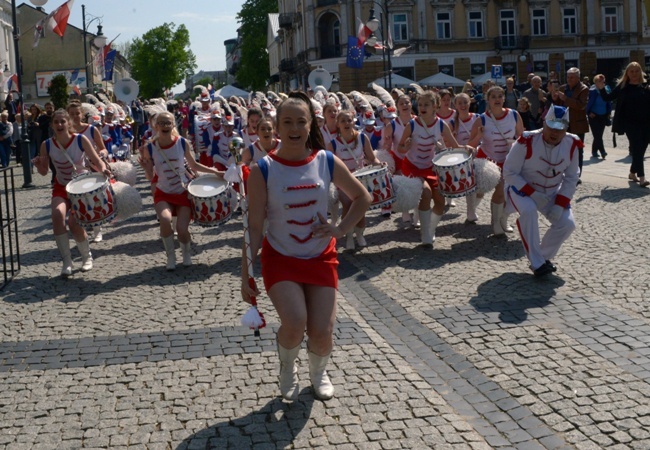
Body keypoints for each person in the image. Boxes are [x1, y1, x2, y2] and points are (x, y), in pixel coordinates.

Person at [241, 92, 371, 401]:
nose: (294, 128)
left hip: (320, 257)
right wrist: (245, 271)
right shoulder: (263, 170)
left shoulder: (325, 160)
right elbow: (255, 226)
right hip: (281, 258)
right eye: (287, 122)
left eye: (301, 121)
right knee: (295, 321)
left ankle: (318, 371)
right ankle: (288, 367)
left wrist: (340, 229)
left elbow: (362, 197)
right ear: (277, 126)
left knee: (322, 333)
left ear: (311, 124)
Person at [138, 111, 225, 270]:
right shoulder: (149, 147)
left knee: (182, 229)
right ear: (156, 126)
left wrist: (215, 172)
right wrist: (146, 168)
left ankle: (186, 253)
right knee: (165, 220)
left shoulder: (182, 143)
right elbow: (151, 176)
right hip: (163, 192)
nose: (165, 126)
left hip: (182, 192)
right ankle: (170, 256)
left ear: (173, 125)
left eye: (168, 123)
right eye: (162, 123)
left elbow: (193, 165)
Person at [503, 105, 580, 277]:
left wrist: (560, 204)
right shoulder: (527, 140)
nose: (554, 132)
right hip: (521, 189)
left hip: (552, 192)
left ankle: (543, 257)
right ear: (544, 124)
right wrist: (532, 193)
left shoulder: (572, 143)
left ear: (566, 129)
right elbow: (509, 172)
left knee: (567, 224)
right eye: (550, 127)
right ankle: (537, 264)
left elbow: (571, 177)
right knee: (529, 211)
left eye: (559, 129)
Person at [32, 109, 110, 276]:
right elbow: (44, 172)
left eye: (63, 121)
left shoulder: (80, 140)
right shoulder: (46, 145)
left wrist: (104, 170)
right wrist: (39, 165)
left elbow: (97, 160)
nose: (60, 125)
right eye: (56, 122)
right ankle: (66, 261)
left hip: (80, 187)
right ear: (52, 125)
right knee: (57, 215)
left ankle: (86, 257)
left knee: (75, 224)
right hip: (61, 186)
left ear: (69, 123)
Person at [397, 90, 465, 247]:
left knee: (440, 201)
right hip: (412, 166)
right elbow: (399, 148)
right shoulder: (412, 124)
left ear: (435, 106)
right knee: (426, 192)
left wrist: (468, 148)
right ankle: (425, 233)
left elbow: (455, 146)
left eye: (426, 104)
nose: (422, 107)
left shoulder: (441, 124)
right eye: (420, 104)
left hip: (430, 167)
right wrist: (405, 147)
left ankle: (431, 229)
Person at [468, 85, 524, 237]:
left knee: (506, 192)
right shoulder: (482, 119)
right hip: (488, 160)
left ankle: (502, 220)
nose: (497, 99)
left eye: (500, 96)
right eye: (493, 97)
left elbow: (522, 138)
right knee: (492, 190)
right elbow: (470, 145)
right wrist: (479, 137)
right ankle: (491, 220)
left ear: (504, 98)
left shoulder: (514, 115)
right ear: (488, 100)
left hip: (508, 159)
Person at [326, 109, 382, 250]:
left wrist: (380, 165)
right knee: (348, 203)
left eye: (349, 120)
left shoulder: (363, 138)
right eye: (343, 121)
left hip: (361, 178)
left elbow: (372, 158)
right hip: (343, 180)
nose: (346, 123)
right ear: (337, 124)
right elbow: (328, 166)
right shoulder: (333, 144)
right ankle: (349, 235)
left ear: (354, 122)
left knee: (361, 207)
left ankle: (360, 234)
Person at [594, 62, 650, 187]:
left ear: (640, 72)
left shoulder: (646, 86)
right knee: (637, 148)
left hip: (646, 123)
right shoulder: (623, 86)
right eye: (632, 71)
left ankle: (632, 173)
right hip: (630, 123)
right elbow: (608, 98)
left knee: (641, 150)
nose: (634, 74)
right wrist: (601, 87)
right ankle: (642, 178)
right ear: (627, 73)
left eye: (636, 71)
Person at [553, 67, 589, 183]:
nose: (569, 79)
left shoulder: (583, 89)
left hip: (577, 124)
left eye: (572, 77)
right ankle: (563, 173)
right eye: (568, 77)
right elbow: (558, 105)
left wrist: (566, 99)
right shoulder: (563, 88)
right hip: (563, 124)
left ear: (578, 78)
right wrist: (555, 99)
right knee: (562, 149)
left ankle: (577, 175)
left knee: (578, 150)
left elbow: (581, 105)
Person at [451, 93, 481, 223]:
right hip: (462, 158)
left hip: (479, 155)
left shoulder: (478, 118)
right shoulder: (453, 123)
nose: (463, 105)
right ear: (455, 105)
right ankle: (471, 212)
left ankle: (471, 209)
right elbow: (449, 144)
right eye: (460, 103)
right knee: (471, 186)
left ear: (470, 103)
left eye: (465, 102)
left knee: (482, 188)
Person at [586, 74, 612, 160]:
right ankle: (602, 151)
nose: (602, 83)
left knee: (599, 135)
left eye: (603, 81)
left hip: (603, 115)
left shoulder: (607, 90)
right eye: (600, 81)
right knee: (597, 135)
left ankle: (594, 151)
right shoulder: (592, 91)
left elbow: (609, 102)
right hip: (594, 116)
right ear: (596, 82)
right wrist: (588, 112)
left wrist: (609, 113)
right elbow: (587, 103)